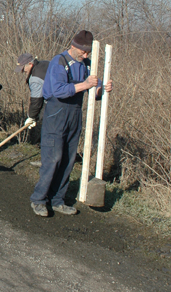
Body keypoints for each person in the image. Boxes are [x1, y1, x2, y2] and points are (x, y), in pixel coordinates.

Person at [30, 30, 113, 217]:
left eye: (88, 53)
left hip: (75, 114)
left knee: (68, 159)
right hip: (56, 113)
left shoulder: (87, 65)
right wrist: (86, 85)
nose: (86, 55)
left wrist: (103, 89)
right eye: (83, 52)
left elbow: (95, 91)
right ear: (74, 46)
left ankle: (58, 200)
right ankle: (39, 199)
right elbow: (58, 90)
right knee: (53, 158)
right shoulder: (59, 62)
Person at [15, 53, 49, 166]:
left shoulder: (35, 78)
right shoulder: (44, 64)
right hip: (63, 102)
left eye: (23, 68)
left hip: (52, 104)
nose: (22, 71)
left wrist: (31, 116)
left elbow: (36, 101)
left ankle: (46, 161)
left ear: (30, 64)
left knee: (48, 131)